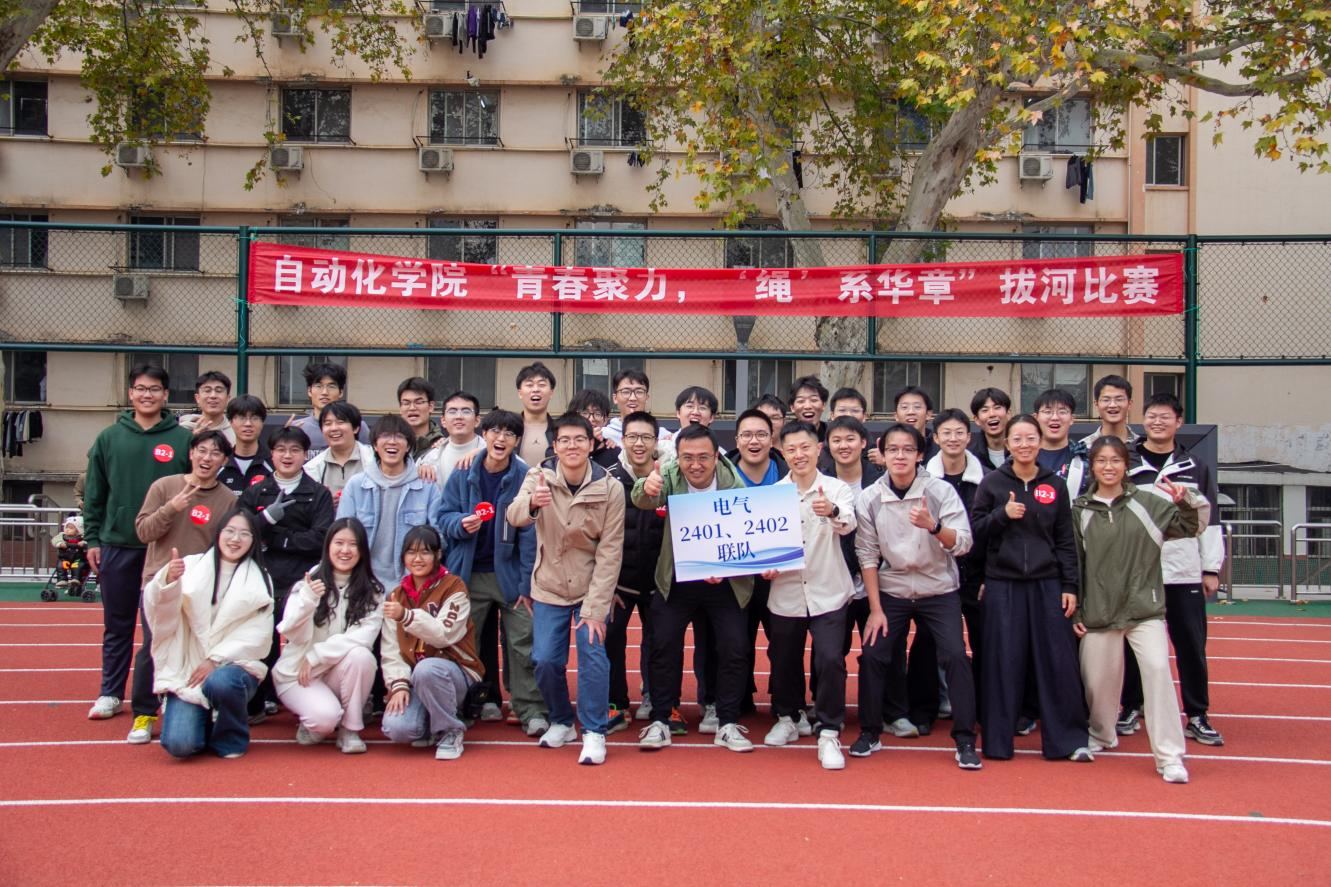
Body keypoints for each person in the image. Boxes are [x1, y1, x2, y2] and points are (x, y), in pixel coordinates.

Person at [1073, 435, 1208, 784]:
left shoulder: (1149, 503)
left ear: (1126, 465)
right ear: (1092, 466)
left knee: (1158, 672)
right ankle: (1102, 734)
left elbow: (1191, 526)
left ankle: (1170, 756)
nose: (1108, 467)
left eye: (1115, 460)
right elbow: (1074, 565)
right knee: (1097, 682)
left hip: (1144, 609)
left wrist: (1186, 500)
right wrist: (1078, 611)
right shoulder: (1079, 510)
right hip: (1099, 612)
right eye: (1101, 460)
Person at [851, 423, 981, 770]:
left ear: (920, 454)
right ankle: (869, 731)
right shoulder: (870, 497)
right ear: (882, 453)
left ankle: (965, 739)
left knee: (955, 655)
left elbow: (964, 542)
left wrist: (933, 526)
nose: (900, 456)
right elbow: (867, 553)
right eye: (893, 449)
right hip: (892, 589)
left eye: (908, 449)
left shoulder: (939, 491)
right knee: (873, 654)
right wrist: (875, 609)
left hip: (937, 588)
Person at [969, 414, 1092, 763]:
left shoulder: (1055, 485)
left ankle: (1067, 741)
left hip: (1047, 583)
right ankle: (997, 742)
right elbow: (975, 532)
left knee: (1057, 661)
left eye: (1030, 438)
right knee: (1002, 661)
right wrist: (1003, 514)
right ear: (1007, 444)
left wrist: (1070, 585)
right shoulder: (992, 483)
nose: (1024, 445)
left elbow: (1065, 540)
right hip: (1003, 584)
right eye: (1017, 439)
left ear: (1040, 442)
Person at [507, 413, 625, 765]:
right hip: (549, 586)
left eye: (579, 439)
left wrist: (596, 609)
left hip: (591, 587)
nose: (572, 446)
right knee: (544, 660)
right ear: (555, 446)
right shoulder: (538, 476)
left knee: (592, 655)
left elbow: (610, 551)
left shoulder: (610, 487)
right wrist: (532, 503)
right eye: (565, 440)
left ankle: (594, 730)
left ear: (591, 444)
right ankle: (561, 720)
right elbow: (514, 515)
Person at [632, 424, 755, 753]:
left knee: (734, 647)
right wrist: (647, 485)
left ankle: (728, 722)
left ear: (716, 457)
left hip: (724, 581)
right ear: (678, 457)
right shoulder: (669, 474)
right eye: (688, 457)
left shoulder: (733, 483)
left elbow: (743, 533)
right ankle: (661, 719)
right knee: (663, 644)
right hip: (677, 577)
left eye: (703, 457)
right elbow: (642, 499)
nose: (695, 465)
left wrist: (722, 567)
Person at [84, 364, 193, 722]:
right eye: (141, 389)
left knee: (162, 628)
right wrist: (93, 538)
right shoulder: (108, 438)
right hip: (118, 545)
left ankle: (161, 693)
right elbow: (95, 494)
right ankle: (110, 693)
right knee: (117, 625)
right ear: (130, 393)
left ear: (166, 394)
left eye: (155, 389)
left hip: (165, 551)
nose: (147, 395)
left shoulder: (182, 440)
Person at [1119, 393, 1226, 746]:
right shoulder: (1126, 462)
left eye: (1165, 416)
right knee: (1133, 645)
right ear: (1143, 420)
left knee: (1191, 645)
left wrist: (1210, 568)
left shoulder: (1194, 466)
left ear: (1179, 422)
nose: (1157, 422)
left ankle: (1197, 714)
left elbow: (1210, 520)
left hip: (1183, 572)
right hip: (1137, 573)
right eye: (1152, 416)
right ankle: (1131, 706)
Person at [437, 408, 546, 736]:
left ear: (517, 441)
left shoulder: (524, 476)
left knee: (523, 641)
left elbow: (529, 534)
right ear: (483, 434)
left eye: (509, 434)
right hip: (468, 573)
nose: (501, 439)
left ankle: (530, 709)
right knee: (461, 642)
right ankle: (460, 705)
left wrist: (526, 584)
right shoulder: (463, 473)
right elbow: (443, 517)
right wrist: (461, 524)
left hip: (510, 574)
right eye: (495, 431)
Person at [127, 430, 238, 744]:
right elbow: (143, 532)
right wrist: (171, 508)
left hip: (201, 588)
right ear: (191, 453)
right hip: (161, 584)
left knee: (201, 647)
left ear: (224, 461)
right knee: (155, 645)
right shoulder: (164, 487)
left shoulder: (227, 499)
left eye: (215, 453)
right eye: (201, 450)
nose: (207, 458)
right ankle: (144, 714)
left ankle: (194, 706)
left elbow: (227, 546)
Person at [762, 422, 857, 770]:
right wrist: (765, 567)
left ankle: (829, 731)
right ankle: (788, 717)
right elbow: (762, 544)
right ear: (782, 453)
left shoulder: (836, 489)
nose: (798, 455)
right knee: (783, 659)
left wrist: (831, 511)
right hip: (786, 592)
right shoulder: (772, 495)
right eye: (791, 449)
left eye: (805, 447)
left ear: (819, 449)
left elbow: (849, 523)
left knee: (830, 659)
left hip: (829, 591)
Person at [144, 508, 275, 759]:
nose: (235, 539)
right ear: (218, 533)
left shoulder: (261, 577)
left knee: (222, 682)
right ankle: (204, 720)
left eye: (244, 534)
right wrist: (168, 581)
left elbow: (257, 634)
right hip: (190, 668)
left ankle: (230, 737)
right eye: (230, 531)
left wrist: (215, 659)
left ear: (254, 540)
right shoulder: (191, 565)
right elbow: (160, 614)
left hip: (234, 666)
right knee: (180, 746)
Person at [238, 426, 336, 720]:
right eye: (281, 449)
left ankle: (303, 697)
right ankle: (261, 698)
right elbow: (239, 532)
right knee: (261, 640)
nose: (287, 456)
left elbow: (320, 538)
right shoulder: (256, 491)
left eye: (294, 450)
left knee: (302, 640)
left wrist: (278, 538)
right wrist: (267, 518)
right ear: (271, 454)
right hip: (262, 577)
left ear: (305, 455)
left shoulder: (318, 493)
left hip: (302, 578)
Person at [274, 518, 384, 754]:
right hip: (299, 673)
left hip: (334, 669)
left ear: (362, 551)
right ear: (328, 546)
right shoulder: (309, 582)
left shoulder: (373, 591)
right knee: (324, 721)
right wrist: (308, 601)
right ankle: (315, 722)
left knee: (361, 656)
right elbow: (291, 632)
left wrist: (318, 655)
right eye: (339, 543)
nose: (345, 550)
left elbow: (363, 636)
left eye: (353, 544)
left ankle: (350, 730)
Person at [380, 525, 483, 760]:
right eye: (411, 552)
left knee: (428, 669)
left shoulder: (454, 586)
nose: (417, 559)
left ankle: (451, 730)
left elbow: (443, 634)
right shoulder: (397, 594)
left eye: (425, 552)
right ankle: (432, 721)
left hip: (455, 672)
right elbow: (390, 648)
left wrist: (407, 616)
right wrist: (399, 684)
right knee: (397, 729)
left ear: (437, 555)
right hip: (416, 679)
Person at [723, 408, 788, 718]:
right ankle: (739, 699)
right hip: (736, 576)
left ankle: (784, 701)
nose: (754, 441)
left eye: (761, 434)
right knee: (737, 642)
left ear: (771, 438)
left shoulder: (788, 472)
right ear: (737, 439)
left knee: (783, 642)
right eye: (747, 435)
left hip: (779, 575)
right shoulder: (721, 476)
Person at [925, 409, 990, 717]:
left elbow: (992, 532)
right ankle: (934, 702)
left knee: (983, 640)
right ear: (936, 438)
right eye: (946, 433)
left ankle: (983, 703)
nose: (953, 438)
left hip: (976, 573)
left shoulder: (987, 479)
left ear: (969, 436)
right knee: (935, 643)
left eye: (959, 432)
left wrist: (987, 575)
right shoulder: (922, 478)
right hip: (935, 574)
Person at [606, 411, 667, 723]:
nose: (639, 443)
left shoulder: (670, 477)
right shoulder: (607, 478)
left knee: (659, 643)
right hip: (618, 583)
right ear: (622, 440)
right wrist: (605, 584)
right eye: (632, 437)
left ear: (656, 441)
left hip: (658, 582)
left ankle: (656, 699)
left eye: (646, 437)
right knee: (610, 640)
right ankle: (615, 702)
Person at [336, 415, 440, 591]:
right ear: (375, 445)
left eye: (399, 436)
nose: (392, 441)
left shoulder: (427, 486)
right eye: (385, 436)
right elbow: (341, 535)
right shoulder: (356, 485)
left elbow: (439, 537)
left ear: (408, 446)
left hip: (412, 584)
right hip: (362, 582)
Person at [290, 362, 369, 456]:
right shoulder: (297, 427)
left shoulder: (357, 426)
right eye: (318, 386)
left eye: (331, 386)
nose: (324, 392)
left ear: (341, 392)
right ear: (309, 391)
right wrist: (286, 435)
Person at [304, 401, 375, 500]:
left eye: (340, 422)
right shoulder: (311, 468)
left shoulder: (375, 459)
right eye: (328, 424)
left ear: (355, 428)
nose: (333, 428)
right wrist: (324, 503)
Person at [419, 390, 487, 486]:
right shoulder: (429, 459)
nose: (459, 416)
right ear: (443, 421)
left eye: (466, 411)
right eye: (452, 411)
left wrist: (486, 453)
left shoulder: (492, 453)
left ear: (477, 421)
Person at [1034, 388, 1089, 496]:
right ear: (1036, 418)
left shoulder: (1086, 457)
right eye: (1048, 412)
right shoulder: (1020, 456)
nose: (1055, 417)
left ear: (1072, 418)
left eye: (1062, 412)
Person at [603, 368, 673, 448]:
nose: (633, 398)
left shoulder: (663, 436)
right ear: (615, 398)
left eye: (639, 392)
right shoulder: (604, 436)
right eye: (626, 392)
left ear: (647, 397)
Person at [218, 395, 273, 495]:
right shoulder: (219, 464)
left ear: (262, 422)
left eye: (255, 418)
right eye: (241, 418)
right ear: (231, 422)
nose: (248, 423)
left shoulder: (274, 464)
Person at [515, 361, 557, 469]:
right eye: (529, 385)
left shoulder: (560, 430)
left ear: (551, 392)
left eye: (542, 385)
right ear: (520, 393)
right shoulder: (510, 429)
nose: (535, 389)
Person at [568, 388, 622, 468]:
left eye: (597, 414)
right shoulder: (563, 447)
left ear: (605, 419)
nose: (591, 419)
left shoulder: (615, 453)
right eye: (584, 413)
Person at [178, 371, 235, 444]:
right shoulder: (182, 430)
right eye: (207, 391)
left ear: (228, 398)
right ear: (197, 398)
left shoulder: (236, 431)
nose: (213, 396)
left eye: (219, 391)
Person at [397, 377, 444, 459]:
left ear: (431, 406)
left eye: (418, 402)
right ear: (400, 408)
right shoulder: (389, 442)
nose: (412, 408)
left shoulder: (443, 444)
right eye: (406, 403)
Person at [969, 387, 1012, 471]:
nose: (992, 414)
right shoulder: (970, 456)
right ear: (976, 419)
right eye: (985, 410)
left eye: (997, 408)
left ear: (1008, 414)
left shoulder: (1021, 449)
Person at [893, 385, 938, 461]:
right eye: (904, 407)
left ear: (928, 414)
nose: (911, 412)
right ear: (896, 415)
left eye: (917, 407)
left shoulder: (940, 447)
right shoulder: (884, 448)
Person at [789, 375, 829, 440]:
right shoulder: (785, 436)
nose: (808, 406)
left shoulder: (831, 434)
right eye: (801, 401)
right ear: (792, 407)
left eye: (814, 400)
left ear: (823, 405)